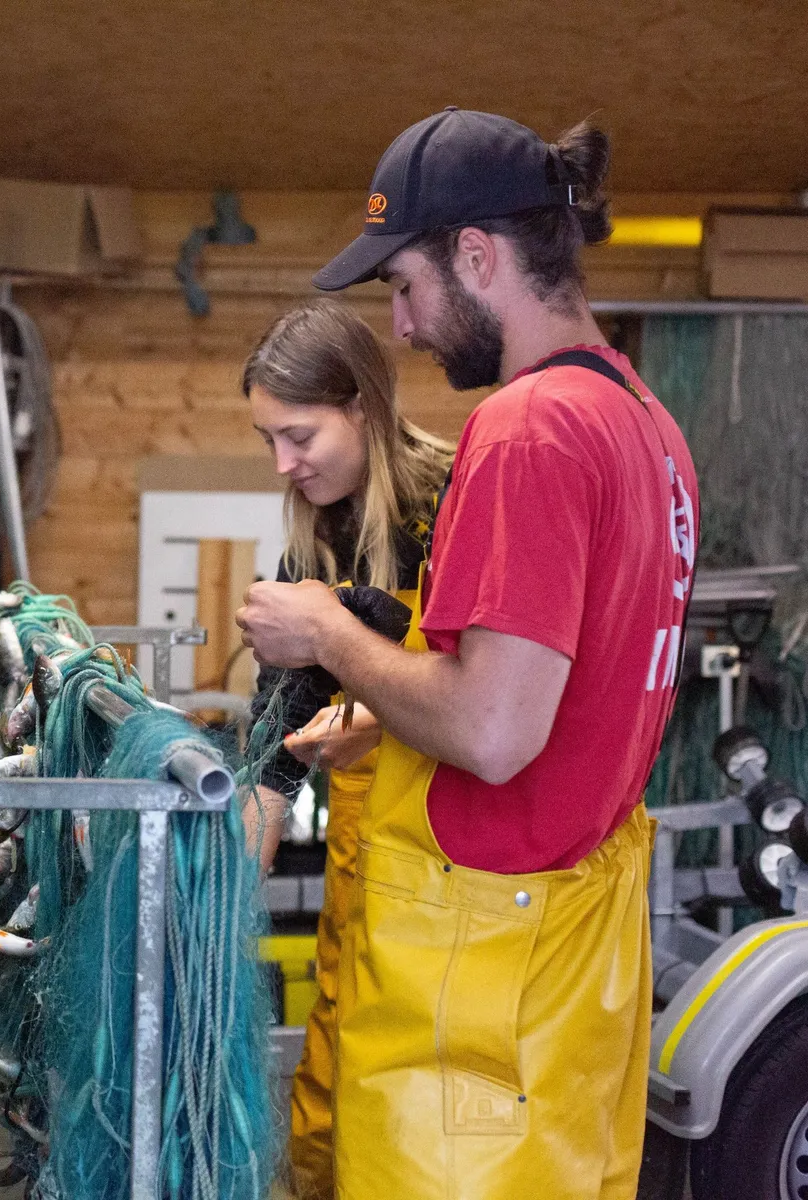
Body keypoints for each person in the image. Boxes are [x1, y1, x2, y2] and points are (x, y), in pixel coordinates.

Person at [237, 108, 698, 1200]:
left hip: (483, 987)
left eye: (404, 287)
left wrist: (330, 633)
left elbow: (493, 730)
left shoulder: (527, 431)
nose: (400, 328)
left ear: (478, 256)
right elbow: (558, 705)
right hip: (570, 975)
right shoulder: (643, 422)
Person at [241, 298, 453, 1200]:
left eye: (299, 436)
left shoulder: (455, 501)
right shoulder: (317, 534)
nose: (285, 465)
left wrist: (383, 709)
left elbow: (494, 694)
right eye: (269, 444)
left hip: (466, 854)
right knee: (336, 1055)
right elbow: (280, 731)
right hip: (371, 843)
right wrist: (229, 896)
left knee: (420, 1086)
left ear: (361, 407)